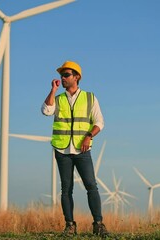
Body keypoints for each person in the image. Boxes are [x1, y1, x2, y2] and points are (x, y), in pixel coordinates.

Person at [41, 61, 108, 236]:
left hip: (82, 150)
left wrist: (89, 136)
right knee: (66, 189)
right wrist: (53, 90)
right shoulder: (57, 98)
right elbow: (46, 111)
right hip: (62, 150)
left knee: (91, 186)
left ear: (76, 77)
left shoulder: (90, 98)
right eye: (62, 75)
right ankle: (70, 226)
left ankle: (98, 225)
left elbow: (100, 122)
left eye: (66, 75)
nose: (62, 78)